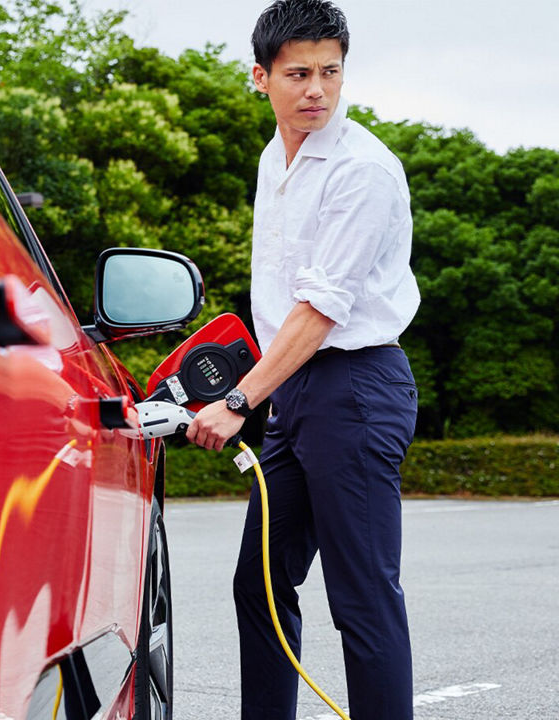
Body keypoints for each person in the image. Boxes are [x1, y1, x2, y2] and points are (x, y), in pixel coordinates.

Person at [185, 1, 421, 718]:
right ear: (261, 78)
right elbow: (282, 302)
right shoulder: (274, 158)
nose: (316, 88)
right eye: (298, 74)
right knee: (259, 580)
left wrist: (237, 403)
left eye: (330, 72)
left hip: (355, 387)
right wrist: (248, 386)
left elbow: (320, 310)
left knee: (361, 596)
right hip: (294, 391)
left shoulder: (363, 172)